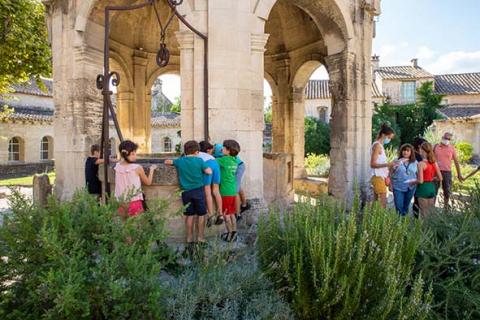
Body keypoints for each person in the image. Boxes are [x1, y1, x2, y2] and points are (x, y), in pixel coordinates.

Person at [165, 141, 212, 245]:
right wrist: (207, 169)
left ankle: (189, 238)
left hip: (186, 192)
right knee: (201, 214)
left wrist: (171, 161)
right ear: (196, 152)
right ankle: (200, 237)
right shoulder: (199, 160)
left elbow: (168, 162)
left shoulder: (180, 161)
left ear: (185, 151)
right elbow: (208, 171)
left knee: (189, 215)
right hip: (198, 191)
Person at [114, 140, 157, 220]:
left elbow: (120, 162)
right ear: (125, 155)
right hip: (134, 202)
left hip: (121, 202)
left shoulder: (117, 167)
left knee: (124, 227)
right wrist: (151, 170)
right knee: (136, 228)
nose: (135, 156)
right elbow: (148, 182)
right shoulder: (137, 168)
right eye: (133, 154)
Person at [216, 140, 240, 242]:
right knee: (232, 213)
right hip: (233, 190)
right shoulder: (235, 160)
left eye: (224, 148)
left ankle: (229, 234)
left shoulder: (223, 160)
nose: (222, 149)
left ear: (228, 150)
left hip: (225, 191)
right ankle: (235, 233)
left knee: (226, 214)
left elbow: (212, 161)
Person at [370, 124, 398, 208]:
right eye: (389, 137)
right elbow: (372, 164)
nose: (389, 140)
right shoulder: (377, 145)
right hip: (377, 176)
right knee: (383, 202)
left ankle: (372, 219)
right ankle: (380, 219)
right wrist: (388, 164)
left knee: (376, 201)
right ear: (383, 135)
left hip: (380, 176)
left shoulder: (380, 146)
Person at [434, 132, 463, 209]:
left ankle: (445, 208)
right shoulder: (436, 147)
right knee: (434, 190)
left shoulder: (452, 148)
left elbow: (456, 162)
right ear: (442, 137)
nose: (447, 140)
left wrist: (459, 174)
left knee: (447, 191)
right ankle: (431, 208)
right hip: (436, 172)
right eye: (446, 138)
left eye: (449, 139)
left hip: (447, 172)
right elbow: (431, 159)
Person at [199, 141, 223, 227]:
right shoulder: (211, 156)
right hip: (215, 164)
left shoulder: (198, 154)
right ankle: (220, 214)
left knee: (207, 191)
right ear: (207, 149)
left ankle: (210, 215)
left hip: (207, 165)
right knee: (216, 191)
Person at [415, 142, 443, 217]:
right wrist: (431, 178)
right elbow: (440, 178)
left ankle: (424, 229)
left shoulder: (421, 164)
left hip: (423, 188)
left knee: (424, 213)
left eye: (420, 149)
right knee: (430, 213)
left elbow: (420, 180)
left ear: (422, 150)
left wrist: (412, 181)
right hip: (431, 187)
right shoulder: (434, 162)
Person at [391, 144, 418, 216]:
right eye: (404, 150)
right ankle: (399, 223)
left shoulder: (415, 162)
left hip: (411, 187)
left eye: (407, 150)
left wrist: (416, 182)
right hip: (398, 187)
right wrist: (398, 163)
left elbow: (418, 175)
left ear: (411, 152)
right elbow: (390, 172)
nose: (405, 152)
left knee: (406, 206)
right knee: (399, 206)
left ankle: (403, 223)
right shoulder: (396, 160)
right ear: (401, 151)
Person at [412, 137, 427, 217]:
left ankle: (417, 216)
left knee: (417, 199)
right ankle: (416, 216)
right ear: (418, 146)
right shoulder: (415, 155)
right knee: (417, 199)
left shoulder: (421, 154)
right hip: (417, 179)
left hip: (420, 178)